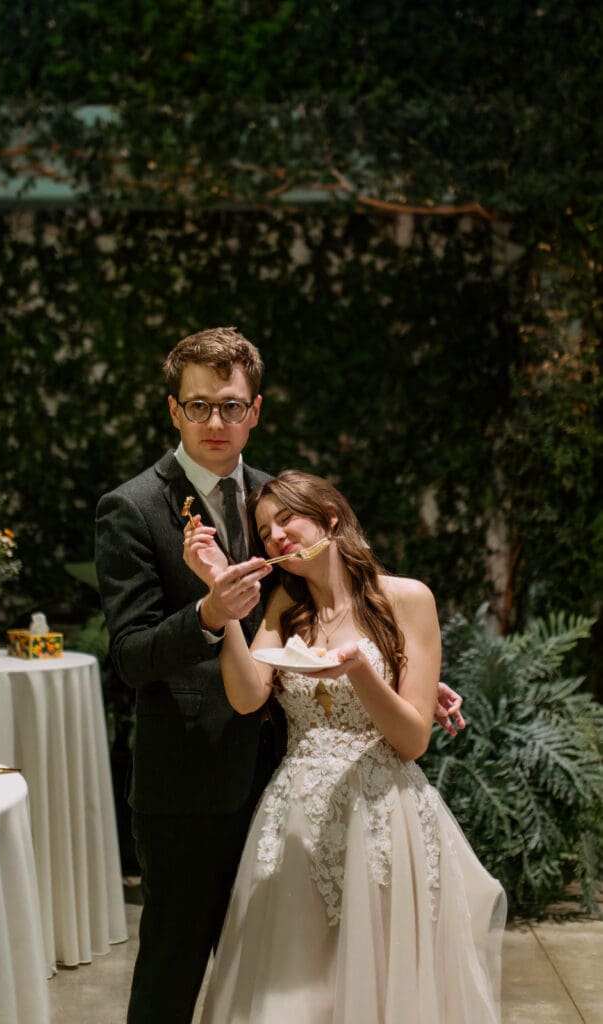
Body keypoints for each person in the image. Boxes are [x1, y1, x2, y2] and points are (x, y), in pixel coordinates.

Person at [95, 327, 466, 1024]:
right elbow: (131, 655)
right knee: (173, 971)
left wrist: (405, 678)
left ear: (254, 410)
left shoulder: (279, 502)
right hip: (191, 784)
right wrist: (206, 612)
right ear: (173, 410)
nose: (215, 421)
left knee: (291, 979)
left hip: (290, 783)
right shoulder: (133, 507)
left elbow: (339, 609)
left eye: (230, 406)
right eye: (198, 405)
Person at [183, 469, 505, 1024]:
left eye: (288, 519)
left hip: (385, 815)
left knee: (381, 977)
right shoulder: (285, 603)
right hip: (296, 817)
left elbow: (411, 741)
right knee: (296, 984)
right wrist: (225, 606)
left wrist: (359, 671)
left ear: (330, 518)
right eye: (265, 532)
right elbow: (245, 696)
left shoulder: (407, 599)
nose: (276, 537)